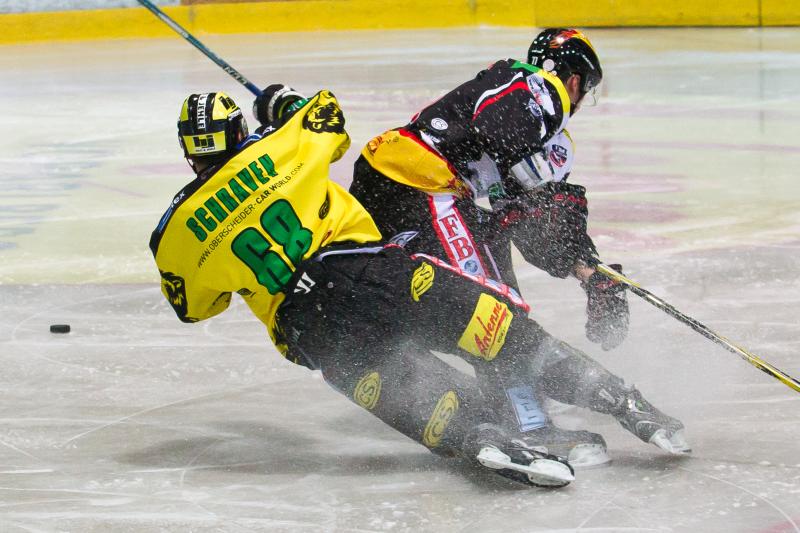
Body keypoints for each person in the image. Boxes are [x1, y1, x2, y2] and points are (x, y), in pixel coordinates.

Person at [250, 28, 690, 463]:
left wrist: (590, 272)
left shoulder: (542, 129)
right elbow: (505, 144)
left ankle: (495, 407)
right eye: (585, 88)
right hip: (422, 183)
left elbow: (533, 226)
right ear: (575, 79)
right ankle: (528, 423)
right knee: (491, 307)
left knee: (487, 290)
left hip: (392, 186)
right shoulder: (537, 87)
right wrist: (534, 194)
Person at [151, 89, 589, 488]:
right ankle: (599, 399)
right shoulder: (280, 144)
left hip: (309, 329)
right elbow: (330, 118)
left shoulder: (173, 233)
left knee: (422, 395)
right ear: (238, 130)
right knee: (493, 330)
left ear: (189, 151)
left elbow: (197, 309)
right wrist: (282, 104)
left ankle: (478, 435)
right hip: (367, 273)